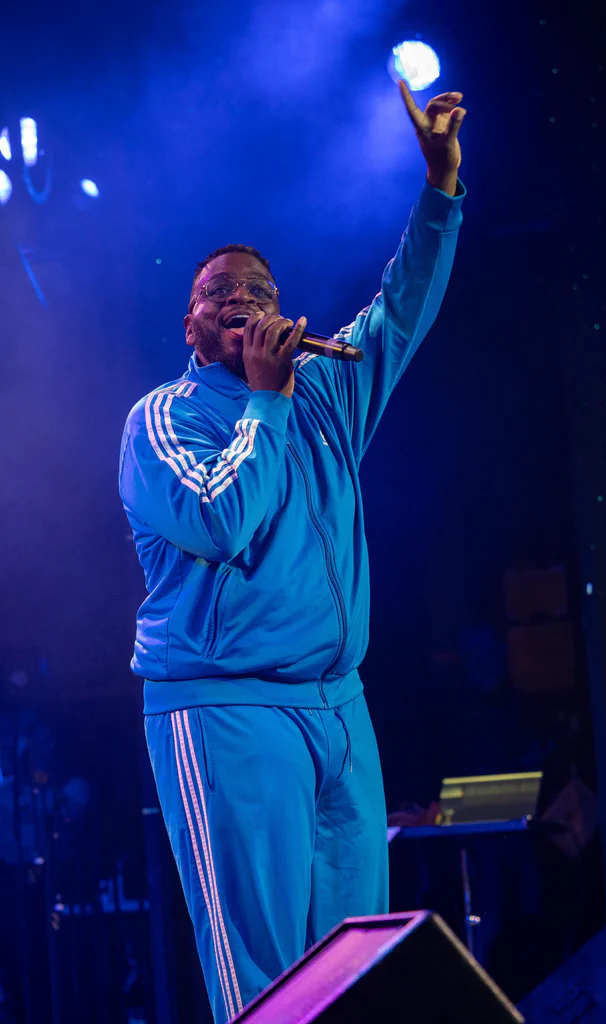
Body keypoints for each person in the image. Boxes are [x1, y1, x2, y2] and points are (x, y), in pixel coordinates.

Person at [119, 81, 467, 1022]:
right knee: (266, 977)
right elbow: (224, 522)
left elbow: (400, 310)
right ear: (188, 325)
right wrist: (265, 399)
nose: (240, 300)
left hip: (339, 703)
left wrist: (438, 188)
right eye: (217, 294)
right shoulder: (162, 420)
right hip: (225, 705)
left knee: (356, 969)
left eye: (259, 292)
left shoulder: (324, 388)